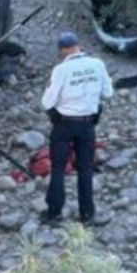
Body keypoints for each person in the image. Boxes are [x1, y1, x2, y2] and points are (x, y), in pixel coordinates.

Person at [41, 31, 114, 225]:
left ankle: (54, 213)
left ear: (63, 50)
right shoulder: (97, 64)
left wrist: (56, 112)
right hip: (87, 124)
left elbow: (47, 101)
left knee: (58, 169)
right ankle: (87, 214)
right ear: (78, 46)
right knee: (85, 169)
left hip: (64, 124)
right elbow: (108, 93)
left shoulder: (61, 70)